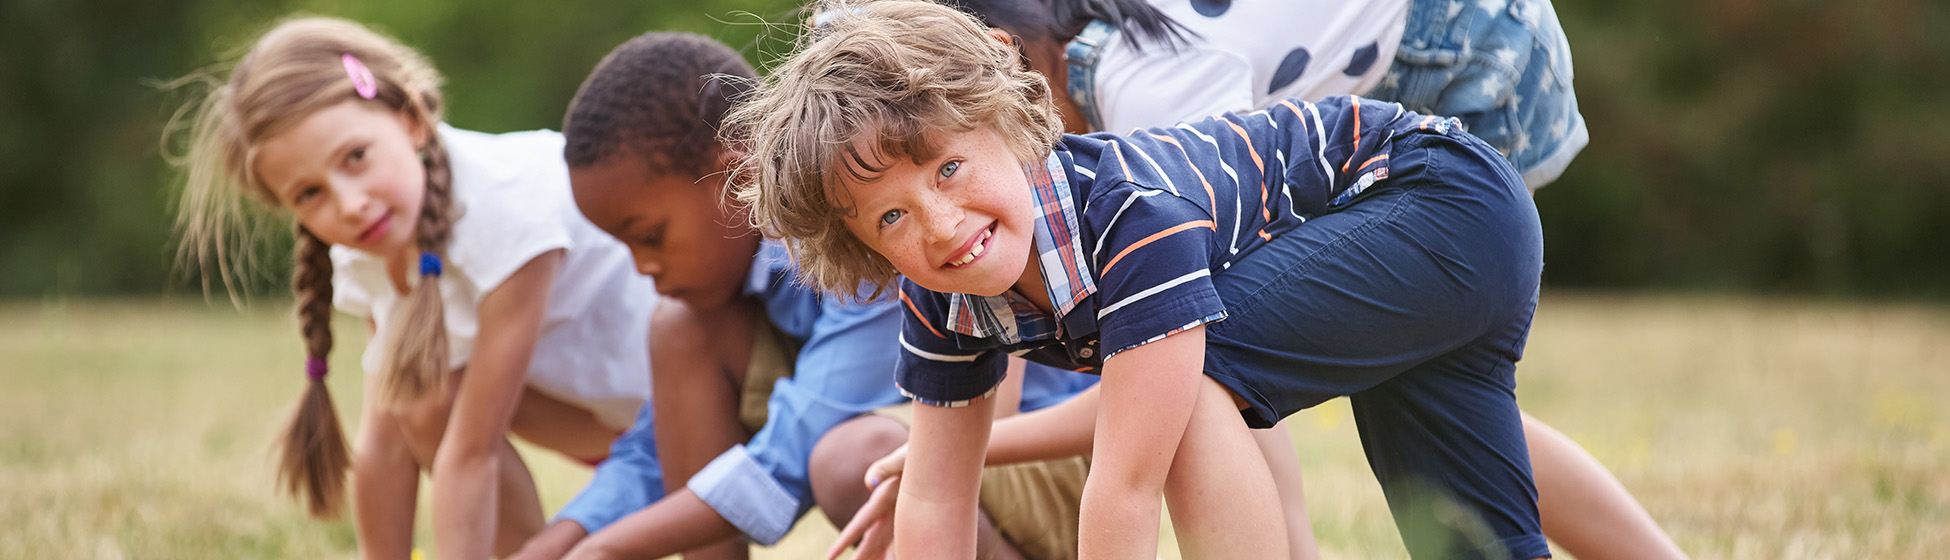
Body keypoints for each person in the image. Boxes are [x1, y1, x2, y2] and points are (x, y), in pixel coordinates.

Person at [731, 0, 1559, 557]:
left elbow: (1126, 485)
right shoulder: (942, 294)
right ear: (861, 249)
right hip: (1452, 228)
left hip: (1437, 195)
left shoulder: (1132, 216)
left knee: (1191, 379)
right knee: (1469, 534)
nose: (939, 227)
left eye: (948, 168)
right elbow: (935, 495)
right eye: (889, 219)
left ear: (1009, 125)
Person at [507, 32, 1102, 560]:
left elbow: (795, 453)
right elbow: (650, 451)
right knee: (679, 330)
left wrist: (610, 547)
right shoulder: (727, 307)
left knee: (848, 460)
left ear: (735, 177)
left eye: (651, 237)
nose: (643, 268)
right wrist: (559, 541)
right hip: (927, 451)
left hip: (1034, 456)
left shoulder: (869, 232)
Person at [169, 17, 656, 558]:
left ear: (411, 121)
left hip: (679, 417)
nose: (350, 204)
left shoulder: (507, 215)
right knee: (421, 400)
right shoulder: (374, 244)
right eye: (310, 193)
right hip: (602, 425)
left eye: (356, 157)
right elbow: (384, 447)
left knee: (436, 404)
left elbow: (472, 454)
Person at [939, 0, 1586, 190]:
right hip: (1437, 44)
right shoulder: (1095, 34)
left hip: (1479, 51)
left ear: (1004, 55)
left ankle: (1289, 530)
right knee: (1431, 385)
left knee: (1430, 379)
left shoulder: (1147, 88)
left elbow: (1208, 295)